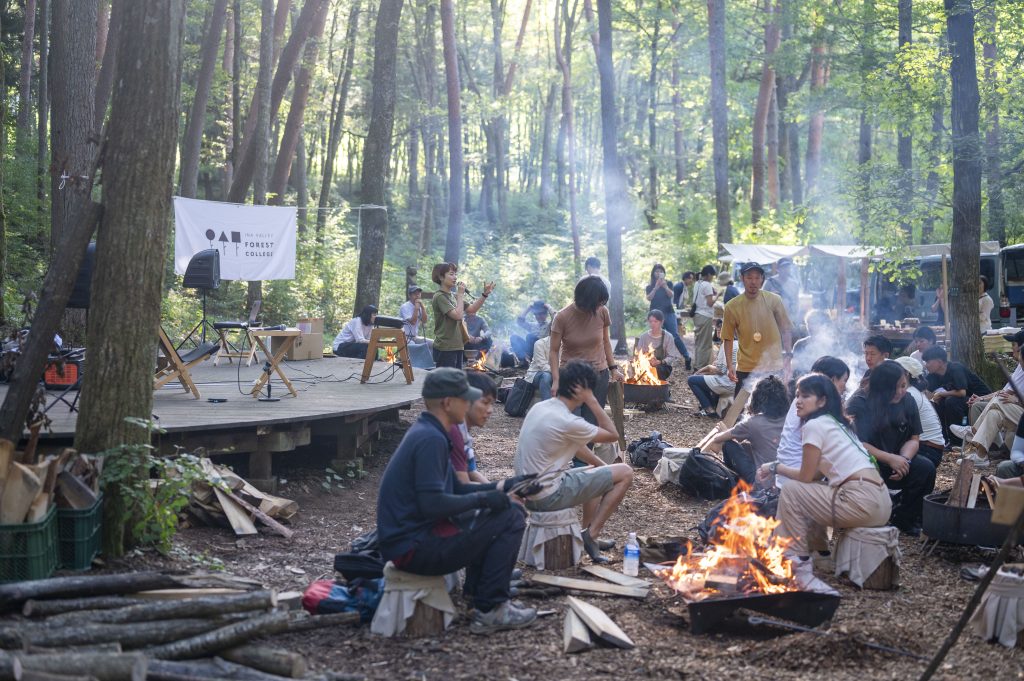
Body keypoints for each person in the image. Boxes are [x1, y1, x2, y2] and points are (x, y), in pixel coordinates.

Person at [376, 368, 537, 634]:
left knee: (505, 509)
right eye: (466, 399)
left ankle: (479, 595)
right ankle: (491, 609)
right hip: (412, 549)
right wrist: (486, 499)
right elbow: (433, 504)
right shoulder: (431, 439)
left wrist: (506, 486)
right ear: (448, 403)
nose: (469, 404)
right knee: (512, 516)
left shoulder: (431, 431)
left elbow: (456, 488)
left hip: (411, 541)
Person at [757, 373, 891, 595]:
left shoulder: (815, 426)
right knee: (808, 491)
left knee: (791, 489)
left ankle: (797, 564)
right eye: (797, 395)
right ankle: (822, 556)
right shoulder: (837, 424)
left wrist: (774, 467)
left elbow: (804, 476)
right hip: (880, 501)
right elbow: (815, 477)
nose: (798, 401)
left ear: (822, 401)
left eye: (806, 396)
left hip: (860, 500)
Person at [514, 360, 634, 563]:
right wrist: (592, 401)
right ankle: (592, 535)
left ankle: (588, 530)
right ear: (582, 390)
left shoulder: (541, 408)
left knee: (594, 472)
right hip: (546, 496)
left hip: (528, 491)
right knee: (625, 472)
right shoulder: (568, 421)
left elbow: (576, 444)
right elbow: (613, 435)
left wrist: (602, 467)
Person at [845, 360, 936, 535]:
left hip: (897, 458)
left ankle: (904, 517)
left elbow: (914, 438)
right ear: (882, 388)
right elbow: (856, 442)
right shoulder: (859, 403)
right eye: (897, 387)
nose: (902, 391)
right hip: (867, 461)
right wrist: (889, 459)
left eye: (904, 385)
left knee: (926, 468)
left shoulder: (907, 400)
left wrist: (904, 460)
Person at [550, 276, 624, 429]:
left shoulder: (602, 312)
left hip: (598, 374)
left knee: (591, 425)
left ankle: (585, 452)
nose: (601, 305)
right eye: (598, 302)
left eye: (603, 302)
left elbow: (606, 342)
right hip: (571, 376)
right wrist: (556, 379)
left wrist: (613, 369)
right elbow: (553, 350)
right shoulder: (562, 317)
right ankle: (571, 454)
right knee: (570, 424)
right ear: (586, 300)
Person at [773, 356, 851, 492]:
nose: (845, 387)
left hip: (788, 478)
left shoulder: (803, 402)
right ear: (831, 381)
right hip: (797, 480)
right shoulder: (811, 408)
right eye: (844, 381)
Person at [950, 330, 1024, 465]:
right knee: (994, 414)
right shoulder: (1021, 368)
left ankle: (972, 431)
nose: (1019, 362)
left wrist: (1017, 400)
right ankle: (981, 455)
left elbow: (1008, 395)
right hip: (1018, 414)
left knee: (998, 400)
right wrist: (982, 399)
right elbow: (1006, 391)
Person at [722, 262, 794, 395]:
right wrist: (730, 365)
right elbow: (728, 337)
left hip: (773, 364)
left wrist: (788, 356)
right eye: (749, 277)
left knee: (775, 408)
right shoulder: (732, 306)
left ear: (762, 279)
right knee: (740, 409)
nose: (753, 282)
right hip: (746, 366)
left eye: (757, 277)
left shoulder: (774, 300)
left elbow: (786, 329)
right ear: (742, 278)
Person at [711, 376, 789, 484]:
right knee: (746, 446)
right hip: (784, 479)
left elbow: (718, 438)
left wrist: (723, 430)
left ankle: (732, 483)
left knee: (728, 444)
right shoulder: (789, 419)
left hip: (760, 481)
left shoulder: (753, 423)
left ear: (757, 398)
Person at [922, 345, 992, 447]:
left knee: (951, 401)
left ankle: (958, 441)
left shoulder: (955, 368)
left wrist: (941, 394)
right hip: (962, 400)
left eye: (928, 362)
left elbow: (962, 392)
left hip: (980, 399)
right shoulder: (933, 375)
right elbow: (926, 395)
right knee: (938, 402)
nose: (926, 365)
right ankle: (945, 439)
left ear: (939, 362)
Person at [430, 262, 495, 369]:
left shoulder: (453, 296)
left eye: (455, 274)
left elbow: (472, 309)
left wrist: (485, 295)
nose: (455, 277)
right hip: (445, 348)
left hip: (458, 346)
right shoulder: (440, 297)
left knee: (455, 382)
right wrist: (460, 295)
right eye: (451, 274)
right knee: (445, 383)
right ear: (441, 277)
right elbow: (458, 316)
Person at [894, 356, 947, 469]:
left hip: (927, 451)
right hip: (929, 449)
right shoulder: (912, 391)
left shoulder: (910, 394)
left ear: (906, 374)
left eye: (894, 370)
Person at [450, 372, 498, 484]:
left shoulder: (463, 432)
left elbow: (471, 472)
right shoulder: (453, 431)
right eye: (485, 402)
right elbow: (464, 486)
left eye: (492, 404)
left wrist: (501, 492)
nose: (490, 410)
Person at [645, 263, 691, 369]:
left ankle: (687, 357)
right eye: (657, 271)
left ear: (664, 273)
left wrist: (665, 286)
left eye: (661, 271)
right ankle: (657, 360)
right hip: (655, 314)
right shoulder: (650, 286)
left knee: (674, 335)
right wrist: (656, 287)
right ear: (653, 273)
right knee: (655, 336)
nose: (659, 273)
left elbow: (671, 295)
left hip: (668, 312)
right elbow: (649, 298)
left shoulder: (669, 283)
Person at [687, 341, 738, 418]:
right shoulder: (738, 343)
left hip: (726, 383)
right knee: (702, 378)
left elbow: (720, 370)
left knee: (691, 380)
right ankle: (713, 405)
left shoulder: (727, 344)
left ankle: (709, 409)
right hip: (736, 383)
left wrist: (707, 368)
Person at [635, 310, 684, 381]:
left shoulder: (668, 336)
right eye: (650, 321)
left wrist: (660, 362)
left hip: (662, 367)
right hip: (645, 365)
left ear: (661, 322)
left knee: (658, 369)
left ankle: (659, 388)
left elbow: (672, 356)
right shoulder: (644, 337)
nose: (653, 324)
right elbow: (638, 355)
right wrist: (647, 361)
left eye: (655, 321)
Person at [692, 265, 719, 370]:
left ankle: (697, 365)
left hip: (697, 315)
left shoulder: (697, 283)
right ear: (708, 275)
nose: (712, 278)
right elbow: (710, 303)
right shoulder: (707, 284)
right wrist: (718, 295)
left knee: (699, 342)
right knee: (706, 344)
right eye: (712, 276)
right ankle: (701, 367)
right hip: (705, 316)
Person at [763, 257, 801, 326]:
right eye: (783, 267)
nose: (786, 270)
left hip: (789, 318)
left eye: (787, 267)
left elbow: (796, 302)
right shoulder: (770, 282)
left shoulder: (794, 284)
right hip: (773, 319)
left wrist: (795, 318)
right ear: (778, 269)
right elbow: (762, 300)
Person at [524, 335, 552, 400]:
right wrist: (557, 372)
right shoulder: (540, 343)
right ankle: (547, 405)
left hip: (555, 372)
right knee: (546, 376)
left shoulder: (564, 344)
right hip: (536, 374)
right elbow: (542, 365)